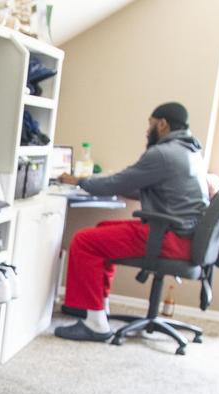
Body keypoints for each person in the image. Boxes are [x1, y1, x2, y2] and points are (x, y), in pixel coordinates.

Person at [53, 102, 209, 341]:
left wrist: (79, 181)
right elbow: (143, 187)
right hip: (184, 236)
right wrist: (115, 185)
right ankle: (97, 308)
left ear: (162, 124)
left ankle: (95, 325)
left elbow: (116, 183)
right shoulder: (191, 152)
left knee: (85, 241)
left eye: (150, 124)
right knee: (102, 231)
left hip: (169, 237)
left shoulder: (163, 153)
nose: (148, 131)